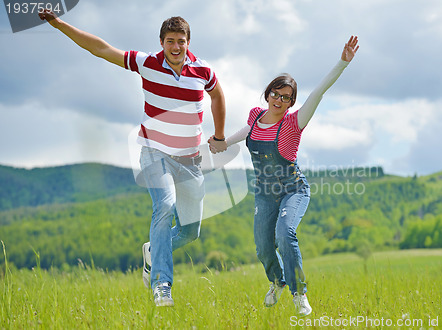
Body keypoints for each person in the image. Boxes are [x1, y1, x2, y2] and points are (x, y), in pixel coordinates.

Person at [39, 10, 227, 307]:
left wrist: (218, 135)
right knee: (164, 208)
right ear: (161, 43)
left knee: (191, 231)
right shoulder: (146, 63)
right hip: (154, 152)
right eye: (169, 41)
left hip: (190, 159)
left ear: (189, 43)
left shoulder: (203, 71)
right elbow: (100, 48)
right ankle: (162, 285)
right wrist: (59, 24)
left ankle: (154, 250)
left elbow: (217, 96)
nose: (175, 47)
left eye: (180, 41)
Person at [209, 36, 359, 316]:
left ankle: (298, 292)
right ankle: (277, 281)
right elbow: (248, 133)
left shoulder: (294, 123)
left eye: (285, 97)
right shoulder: (256, 116)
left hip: (293, 190)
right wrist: (224, 143)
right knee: (264, 247)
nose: (279, 100)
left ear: (291, 102)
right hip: (265, 193)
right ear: (267, 94)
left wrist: (342, 63)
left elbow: (319, 92)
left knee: (284, 234)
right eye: (275, 94)